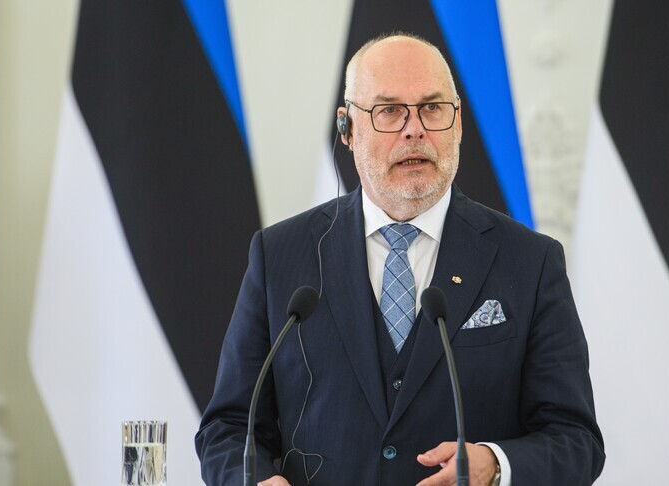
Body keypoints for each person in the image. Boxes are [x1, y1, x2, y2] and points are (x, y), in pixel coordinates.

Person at [195, 33, 604, 485]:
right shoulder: (279, 256)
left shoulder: (530, 261)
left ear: (458, 123)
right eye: (389, 111)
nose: (414, 129)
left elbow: (576, 440)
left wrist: (494, 465)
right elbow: (228, 428)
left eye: (432, 108)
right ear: (347, 129)